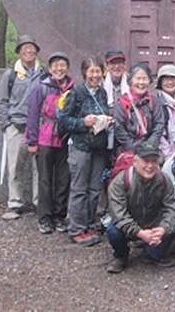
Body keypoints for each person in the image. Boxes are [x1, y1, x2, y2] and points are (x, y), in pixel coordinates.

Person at [59, 56, 112, 246]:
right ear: (84, 73)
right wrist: (83, 122)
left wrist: (106, 120)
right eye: (91, 71)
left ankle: (88, 225)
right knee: (79, 189)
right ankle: (76, 229)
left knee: (94, 189)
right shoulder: (76, 93)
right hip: (80, 146)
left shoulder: (102, 93)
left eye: (98, 71)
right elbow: (64, 120)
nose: (95, 75)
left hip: (98, 148)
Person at [106, 141, 175, 273]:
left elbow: (172, 208)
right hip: (130, 223)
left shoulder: (164, 180)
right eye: (145, 161)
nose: (150, 166)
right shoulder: (120, 182)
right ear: (135, 162)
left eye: (154, 161)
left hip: (153, 223)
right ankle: (120, 256)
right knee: (113, 230)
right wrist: (139, 232)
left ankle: (152, 253)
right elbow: (119, 215)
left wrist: (163, 228)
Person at [26, 51, 74, 234]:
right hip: (45, 138)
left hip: (64, 138)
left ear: (67, 68)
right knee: (45, 179)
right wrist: (32, 141)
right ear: (50, 68)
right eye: (55, 65)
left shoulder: (72, 89)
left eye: (62, 65)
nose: (59, 69)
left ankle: (59, 215)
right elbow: (32, 115)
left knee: (63, 178)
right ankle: (45, 218)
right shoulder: (42, 88)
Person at [0, 34, 44, 220]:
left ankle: (39, 202)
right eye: (25, 48)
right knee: (15, 167)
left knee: (39, 168)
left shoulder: (44, 74)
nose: (29, 51)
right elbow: (3, 101)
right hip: (16, 126)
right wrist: (6, 125)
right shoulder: (10, 75)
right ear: (19, 52)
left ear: (37, 51)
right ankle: (15, 203)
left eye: (32, 47)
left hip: (38, 127)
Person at [114, 63, 165, 154]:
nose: (141, 82)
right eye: (138, 78)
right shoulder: (122, 103)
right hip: (128, 149)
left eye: (144, 79)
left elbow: (159, 124)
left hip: (150, 148)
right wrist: (134, 147)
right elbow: (119, 128)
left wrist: (150, 144)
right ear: (130, 81)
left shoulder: (154, 102)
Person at [155, 64, 175, 161]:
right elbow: (159, 133)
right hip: (167, 153)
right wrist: (169, 157)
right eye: (166, 79)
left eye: (173, 78)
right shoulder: (157, 102)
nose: (170, 82)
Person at [103, 50, 129, 114]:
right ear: (106, 66)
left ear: (125, 65)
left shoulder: (131, 84)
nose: (117, 66)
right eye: (113, 63)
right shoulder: (101, 84)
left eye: (119, 62)